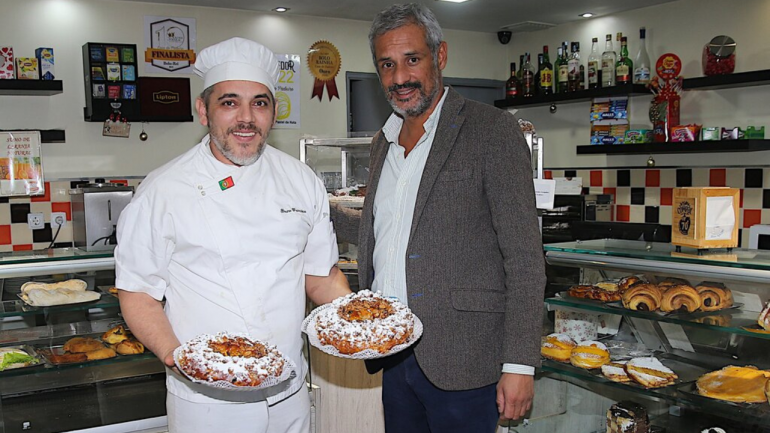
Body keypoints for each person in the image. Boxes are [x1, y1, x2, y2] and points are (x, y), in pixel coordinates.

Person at [113, 37, 351, 433]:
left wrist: (358, 323)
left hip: (289, 390)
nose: (246, 118)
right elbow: (138, 292)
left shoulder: (300, 180)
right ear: (203, 111)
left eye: (259, 103)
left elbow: (321, 277)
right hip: (208, 401)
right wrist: (177, 357)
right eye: (229, 102)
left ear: (273, 112)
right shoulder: (163, 190)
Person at [359, 4, 547, 432]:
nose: (400, 77)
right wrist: (311, 211)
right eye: (387, 65)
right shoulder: (382, 143)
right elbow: (385, 229)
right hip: (393, 353)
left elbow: (524, 257)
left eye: (412, 59)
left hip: (465, 360)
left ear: (439, 55)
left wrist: (520, 364)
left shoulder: (492, 131)